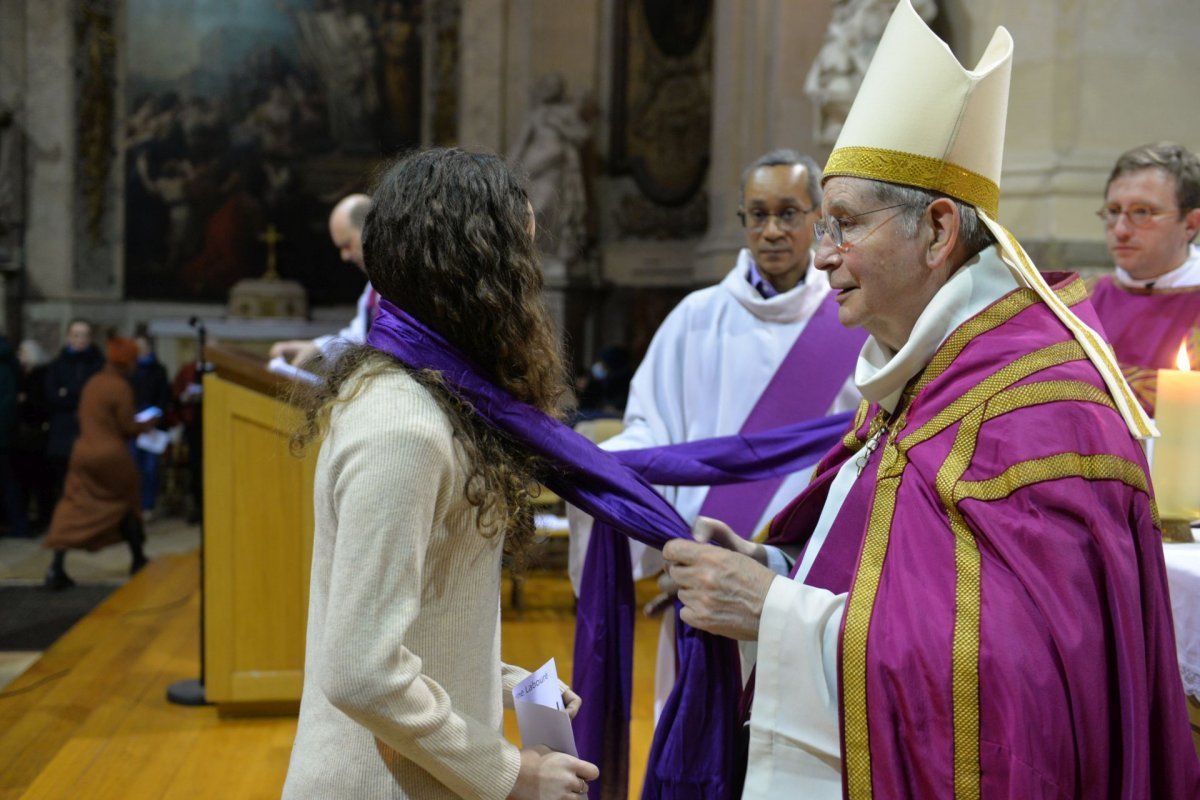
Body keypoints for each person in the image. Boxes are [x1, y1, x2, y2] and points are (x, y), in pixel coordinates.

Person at [662, 2, 1200, 796]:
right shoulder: (927, 371)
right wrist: (776, 561)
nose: (823, 259)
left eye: (842, 225)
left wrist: (774, 611)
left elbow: (1016, 686)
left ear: (940, 229)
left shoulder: (1037, 409)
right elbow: (892, 569)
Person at [282, 148, 599, 799]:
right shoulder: (404, 426)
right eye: (522, 257)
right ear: (475, 270)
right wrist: (511, 773)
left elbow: (407, 622)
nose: (529, 280)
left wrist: (503, 681)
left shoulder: (426, 394)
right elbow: (362, 672)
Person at [566, 148, 864, 715]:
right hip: (699, 584)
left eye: (789, 213)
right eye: (758, 214)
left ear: (818, 220)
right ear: (743, 222)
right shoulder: (694, 319)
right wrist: (599, 469)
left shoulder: (854, 322)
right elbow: (651, 434)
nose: (772, 230)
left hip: (806, 585)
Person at [1088, 142, 1200, 414]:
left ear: (1190, 224)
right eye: (1113, 211)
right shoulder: (1081, 298)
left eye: (1142, 212)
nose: (1121, 229)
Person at [43, 337, 160, 589]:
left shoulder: (93, 383)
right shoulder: (120, 387)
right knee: (126, 504)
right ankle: (138, 559)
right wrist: (148, 424)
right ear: (129, 362)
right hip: (111, 456)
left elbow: (81, 415)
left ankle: (56, 569)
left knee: (74, 504)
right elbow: (127, 426)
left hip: (83, 453)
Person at [269, 193, 378, 366]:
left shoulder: (403, 279)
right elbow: (359, 337)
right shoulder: (372, 288)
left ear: (369, 230)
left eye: (347, 245)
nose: (345, 256)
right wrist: (317, 348)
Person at [44, 319, 104, 503]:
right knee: (64, 483)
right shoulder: (57, 365)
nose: (81, 340)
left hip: (90, 432)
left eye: (85, 335)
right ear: (69, 337)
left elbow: (97, 395)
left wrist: (68, 391)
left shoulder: (99, 364)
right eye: (76, 335)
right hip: (63, 433)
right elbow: (52, 396)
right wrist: (78, 393)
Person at [130, 332, 171, 519]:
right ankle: (133, 504)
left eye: (143, 346)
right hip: (132, 425)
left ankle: (148, 505)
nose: (140, 350)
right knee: (132, 467)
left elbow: (164, 397)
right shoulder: (129, 369)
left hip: (152, 426)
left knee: (150, 469)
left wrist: (153, 418)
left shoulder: (159, 370)